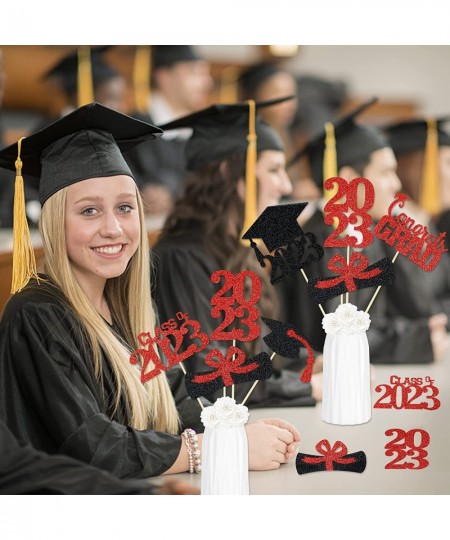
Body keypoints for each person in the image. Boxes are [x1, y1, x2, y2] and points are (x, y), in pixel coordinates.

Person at [0, 102, 300, 479]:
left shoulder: (128, 306)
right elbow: (95, 447)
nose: (113, 228)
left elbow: (176, 396)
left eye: (125, 208)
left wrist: (232, 428)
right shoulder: (37, 314)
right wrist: (220, 449)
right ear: (56, 221)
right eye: (89, 211)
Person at [153, 97, 321, 407]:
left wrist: (310, 362)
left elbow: (256, 349)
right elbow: (207, 377)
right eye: (273, 170)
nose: (285, 185)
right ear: (231, 173)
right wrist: (302, 385)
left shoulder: (239, 246)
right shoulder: (182, 257)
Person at [282, 98, 450, 364]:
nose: (395, 184)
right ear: (349, 179)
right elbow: (333, 334)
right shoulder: (319, 240)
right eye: (385, 173)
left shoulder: (365, 234)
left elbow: (374, 320)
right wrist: (416, 340)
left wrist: (421, 334)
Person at [125, 45, 214, 217]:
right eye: (195, 73)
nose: (207, 83)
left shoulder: (205, 132)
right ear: (164, 76)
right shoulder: (133, 129)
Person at [0, 419, 199, 495]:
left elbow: (16, 468)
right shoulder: (46, 331)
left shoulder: (143, 335)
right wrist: (194, 447)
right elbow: (94, 446)